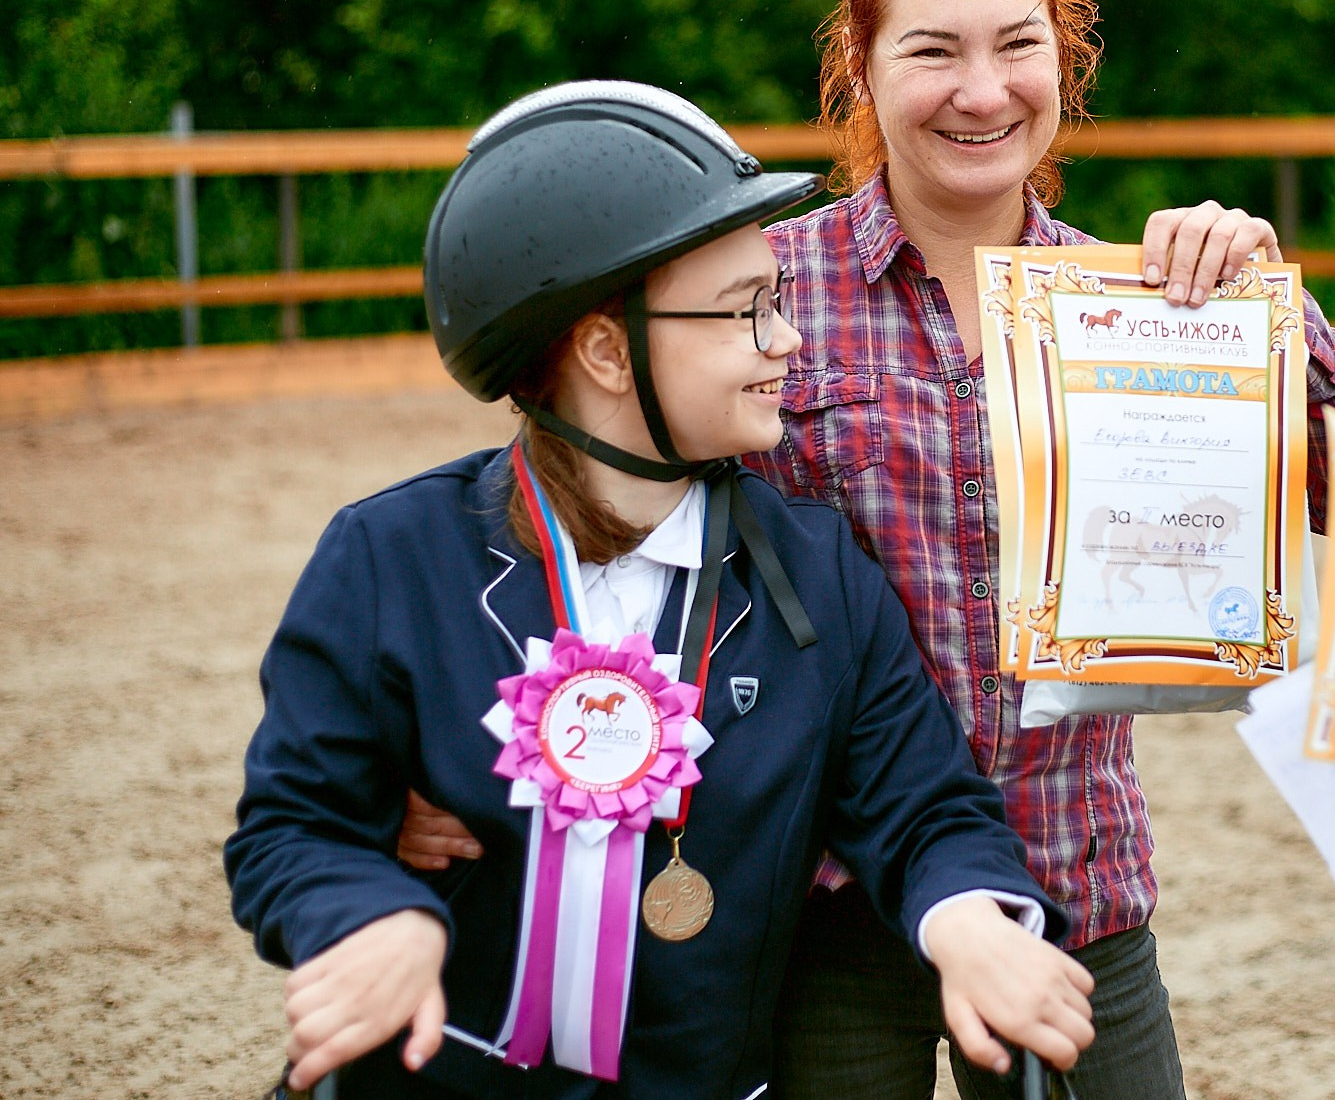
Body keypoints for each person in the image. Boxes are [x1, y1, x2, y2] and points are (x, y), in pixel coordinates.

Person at [398, 0, 1335, 1097]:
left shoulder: (1150, 304)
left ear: (1062, 65)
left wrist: (1264, 308)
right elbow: (572, 505)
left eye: (1017, 45)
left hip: (1072, 895)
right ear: (859, 71)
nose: (983, 92)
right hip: (818, 910)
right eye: (932, 51)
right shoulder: (762, 292)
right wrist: (426, 754)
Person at [225, 81, 1095, 1099]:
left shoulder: (816, 576)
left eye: (777, 303)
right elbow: (292, 828)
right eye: (744, 314)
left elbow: (924, 810)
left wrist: (967, 923)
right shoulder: (387, 558)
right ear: (603, 347)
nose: (787, 342)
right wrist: (376, 916)